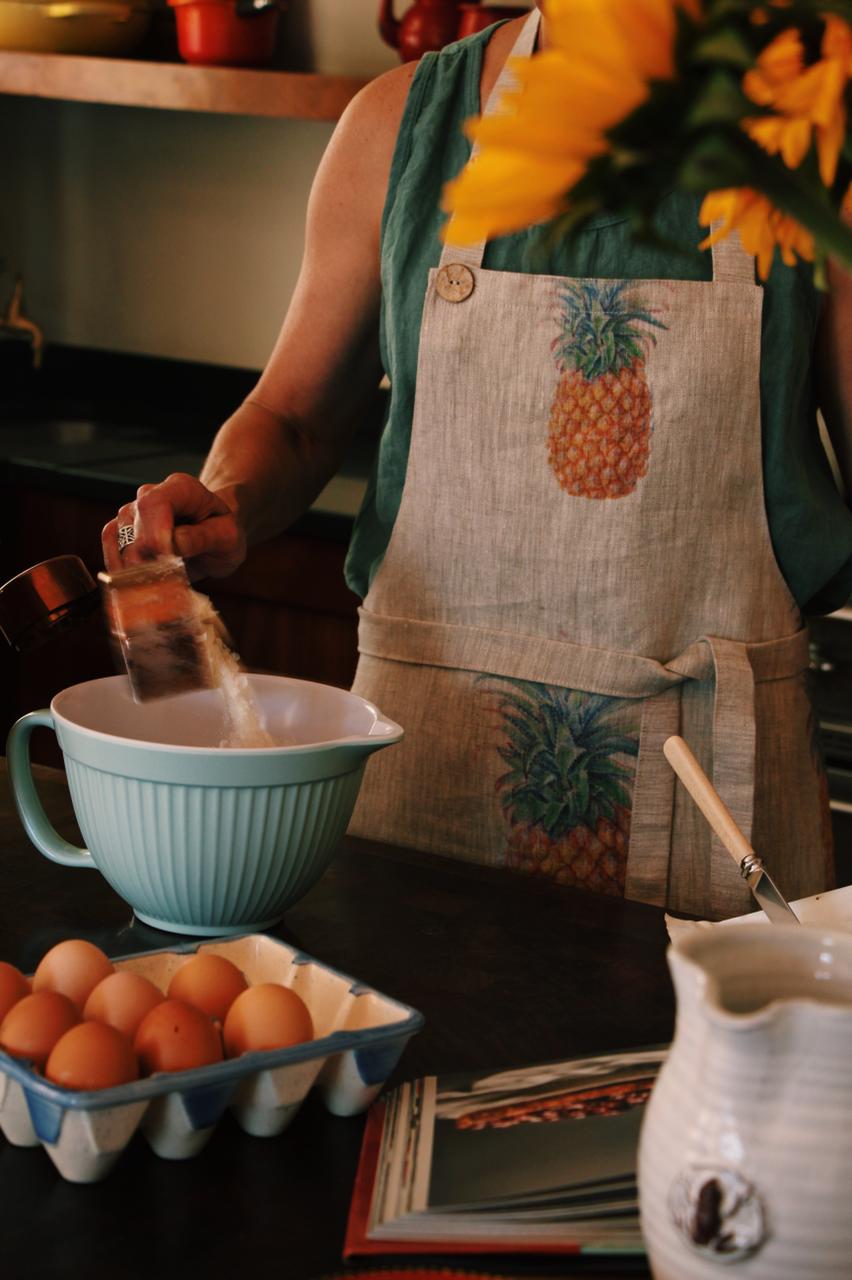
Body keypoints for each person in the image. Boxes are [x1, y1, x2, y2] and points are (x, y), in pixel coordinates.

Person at [103, 6, 852, 921]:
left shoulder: (816, 131)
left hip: (718, 817)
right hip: (420, 773)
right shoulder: (397, 128)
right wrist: (224, 498)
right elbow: (294, 420)